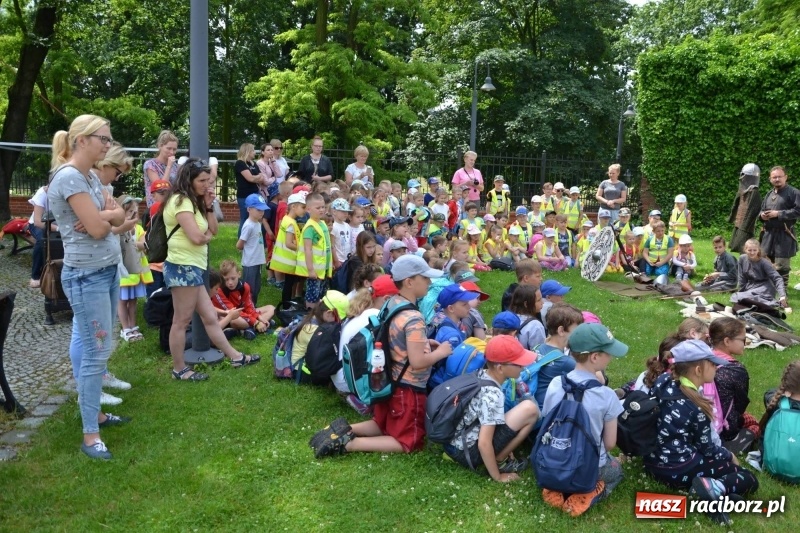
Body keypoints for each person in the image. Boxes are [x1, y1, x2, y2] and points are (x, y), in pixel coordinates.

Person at [309, 255, 453, 457]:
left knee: (382, 424)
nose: (430, 282)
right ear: (410, 282)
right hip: (408, 388)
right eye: (425, 278)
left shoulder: (392, 303)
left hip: (388, 380)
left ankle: (340, 429)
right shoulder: (414, 317)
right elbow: (417, 362)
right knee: (409, 443)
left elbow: (392, 337)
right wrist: (441, 352)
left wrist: (422, 343)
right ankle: (348, 444)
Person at [47, 115, 130, 460]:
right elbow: (99, 228)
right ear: (82, 140)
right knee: (97, 352)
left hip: (106, 271)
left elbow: (118, 219)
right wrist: (106, 218)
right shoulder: (68, 178)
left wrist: (107, 216)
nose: (107, 146)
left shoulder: (90, 177)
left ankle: (95, 413)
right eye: (103, 139)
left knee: (90, 345)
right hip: (87, 276)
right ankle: (90, 434)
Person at [164, 158, 261, 382]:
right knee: (181, 321)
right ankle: (179, 369)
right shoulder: (180, 201)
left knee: (209, 316)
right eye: (202, 180)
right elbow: (199, 237)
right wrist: (205, 237)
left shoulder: (194, 202)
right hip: (182, 267)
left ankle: (235, 357)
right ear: (188, 179)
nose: (207, 184)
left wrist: (207, 205)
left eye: (209, 180)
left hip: (194, 267)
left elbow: (214, 229)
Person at [644, 340, 759, 526]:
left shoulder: (663, 381)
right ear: (698, 370)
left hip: (652, 463)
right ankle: (713, 489)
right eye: (713, 364)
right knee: (747, 478)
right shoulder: (697, 406)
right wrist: (729, 455)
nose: (717, 368)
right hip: (678, 469)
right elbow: (707, 448)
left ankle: (722, 499)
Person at [540, 323, 628, 516]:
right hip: (587, 467)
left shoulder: (556, 383)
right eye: (609, 353)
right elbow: (610, 443)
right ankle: (589, 493)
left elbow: (547, 416)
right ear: (595, 357)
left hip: (554, 459)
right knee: (616, 471)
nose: (611, 357)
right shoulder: (606, 395)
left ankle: (555, 488)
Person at [443, 335, 540, 480]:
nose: (523, 366)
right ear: (500, 368)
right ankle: (499, 461)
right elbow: (484, 443)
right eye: (519, 364)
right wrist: (498, 477)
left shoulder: (481, 375)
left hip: (454, 443)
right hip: (467, 452)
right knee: (531, 410)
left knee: (528, 408)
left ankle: (502, 454)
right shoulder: (493, 395)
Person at [709, 317, 760, 447]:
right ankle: (733, 445)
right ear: (727, 341)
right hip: (725, 427)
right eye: (743, 339)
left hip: (703, 422)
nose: (746, 342)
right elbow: (740, 404)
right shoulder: (736, 370)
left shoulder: (702, 358)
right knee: (754, 423)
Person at [531, 303, 583, 411]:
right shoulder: (565, 362)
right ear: (561, 331)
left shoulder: (537, 347)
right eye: (577, 331)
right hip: (545, 414)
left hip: (531, 405)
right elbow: (597, 380)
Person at [115, 195, 152, 342]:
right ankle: (125, 328)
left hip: (136, 272)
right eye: (130, 211)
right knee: (122, 300)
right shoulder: (118, 229)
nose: (133, 215)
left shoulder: (138, 228)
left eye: (135, 211)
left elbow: (142, 244)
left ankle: (133, 325)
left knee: (133, 300)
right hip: (123, 271)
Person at [212, 260, 276, 339]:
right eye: (226, 279)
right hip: (229, 315)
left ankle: (250, 329)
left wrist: (258, 317)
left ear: (239, 274)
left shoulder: (245, 286)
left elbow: (249, 306)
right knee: (235, 321)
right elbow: (233, 312)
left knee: (272, 308)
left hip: (243, 313)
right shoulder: (219, 290)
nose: (230, 283)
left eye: (233, 278)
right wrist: (255, 322)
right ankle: (262, 324)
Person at [759, 165, 800, 287]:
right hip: (768, 234)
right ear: (770, 179)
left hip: (784, 234)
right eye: (774, 177)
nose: (777, 179)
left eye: (779, 177)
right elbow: (761, 211)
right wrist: (762, 216)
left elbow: (798, 211)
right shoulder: (768, 194)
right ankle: (767, 290)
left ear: (785, 177)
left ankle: (782, 294)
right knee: (766, 263)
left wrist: (779, 214)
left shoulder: (794, 193)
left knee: (781, 266)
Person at [297, 193, 334, 308]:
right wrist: (310, 270)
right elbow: (308, 250)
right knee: (312, 295)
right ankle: (310, 314)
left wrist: (330, 264)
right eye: (318, 208)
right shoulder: (310, 228)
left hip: (324, 268)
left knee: (321, 294)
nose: (321, 210)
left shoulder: (322, 224)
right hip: (315, 270)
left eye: (323, 207)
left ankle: (318, 315)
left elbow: (326, 246)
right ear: (308, 209)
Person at [272, 193, 306, 309]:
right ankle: (286, 307)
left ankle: (287, 305)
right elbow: (288, 243)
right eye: (303, 207)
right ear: (293, 207)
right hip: (288, 260)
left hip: (286, 259)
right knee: (289, 285)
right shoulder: (291, 223)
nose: (305, 211)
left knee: (289, 284)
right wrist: (302, 248)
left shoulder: (286, 220)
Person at [731, 238, 787, 308]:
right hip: (751, 287)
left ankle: (775, 303)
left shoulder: (764, 262)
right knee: (736, 296)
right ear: (745, 250)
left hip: (764, 288)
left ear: (758, 250)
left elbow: (777, 278)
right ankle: (753, 301)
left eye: (754, 250)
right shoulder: (742, 259)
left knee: (747, 298)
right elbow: (741, 278)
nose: (752, 252)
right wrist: (741, 291)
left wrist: (782, 295)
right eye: (749, 250)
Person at [236, 193, 268, 306]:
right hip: (250, 262)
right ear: (249, 209)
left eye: (263, 210)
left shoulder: (257, 223)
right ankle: (247, 309)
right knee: (249, 289)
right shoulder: (249, 225)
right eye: (259, 210)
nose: (261, 212)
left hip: (257, 261)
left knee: (256, 288)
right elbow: (239, 245)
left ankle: (253, 307)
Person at [26, 183, 57, 289]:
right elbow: (37, 222)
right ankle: (35, 276)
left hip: (57, 224)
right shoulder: (42, 194)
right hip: (38, 225)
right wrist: (58, 229)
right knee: (42, 241)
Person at [234, 143, 266, 236]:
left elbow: (262, 177)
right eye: (252, 150)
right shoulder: (240, 163)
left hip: (255, 193)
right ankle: (241, 240)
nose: (254, 152)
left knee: (257, 217)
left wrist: (255, 177)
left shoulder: (253, 163)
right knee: (245, 217)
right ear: (247, 151)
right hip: (244, 195)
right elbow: (250, 178)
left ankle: (253, 236)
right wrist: (257, 177)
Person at [143, 130, 179, 207]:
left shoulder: (176, 166)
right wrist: (169, 167)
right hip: (156, 207)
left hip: (172, 205)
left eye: (174, 149)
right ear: (160, 146)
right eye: (168, 148)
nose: (172, 152)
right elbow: (161, 188)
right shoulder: (150, 165)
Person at [508, 284, 545, 350]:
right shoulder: (535, 326)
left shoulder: (507, 318)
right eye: (538, 300)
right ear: (526, 304)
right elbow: (539, 353)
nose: (542, 302)